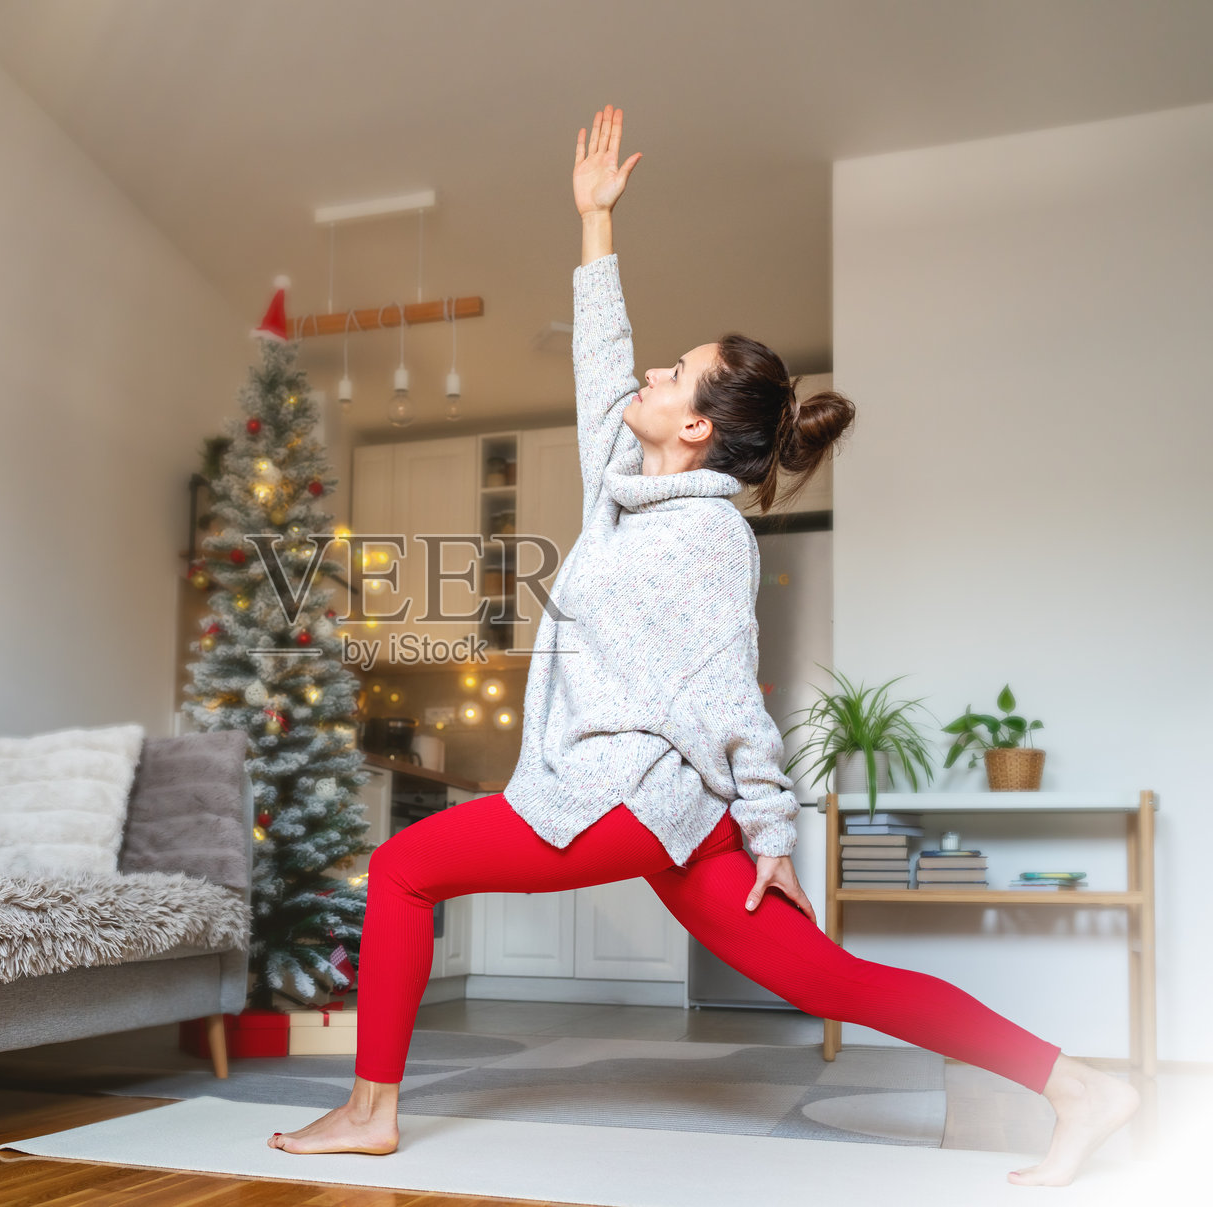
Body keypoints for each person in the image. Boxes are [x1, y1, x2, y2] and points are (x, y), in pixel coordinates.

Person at [269, 105, 1140, 1189]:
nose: (650, 374)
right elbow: (600, 364)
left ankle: (368, 1109)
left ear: (694, 427)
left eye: (673, 371)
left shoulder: (706, 536)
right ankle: (1075, 1086)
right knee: (823, 977)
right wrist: (594, 224)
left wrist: (770, 823)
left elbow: (731, 692)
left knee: (400, 868)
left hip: (628, 795)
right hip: (665, 801)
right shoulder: (629, 492)